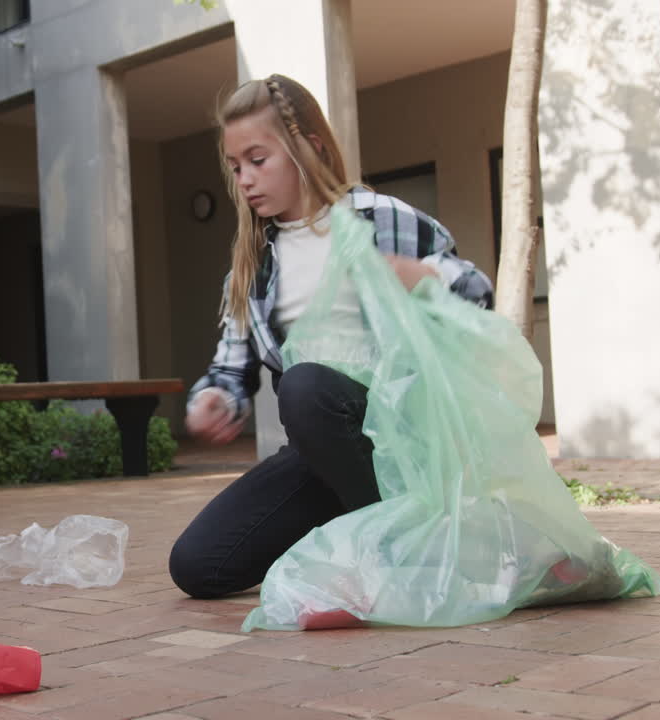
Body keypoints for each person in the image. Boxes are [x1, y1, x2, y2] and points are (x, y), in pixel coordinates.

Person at [168, 74, 494, 600]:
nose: (245, 179)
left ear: (307, 148)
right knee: (198, 566)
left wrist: (427, 280)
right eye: (234, 167)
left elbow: (477, 293)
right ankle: (354, 526)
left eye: (258, 159)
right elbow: (231, 371)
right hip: (321, 453)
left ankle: (401, 547)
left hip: (403, 441)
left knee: (304, 385)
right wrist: (212, 399)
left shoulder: (380, 219)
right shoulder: (251, 268)